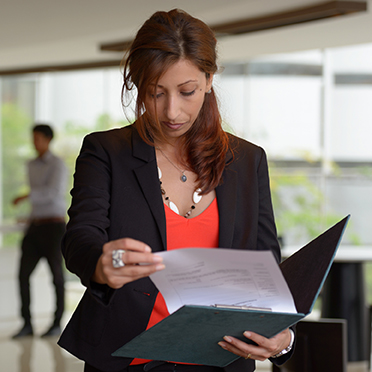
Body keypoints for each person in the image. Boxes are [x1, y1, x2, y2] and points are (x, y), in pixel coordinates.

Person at [58, 9, 295, 372]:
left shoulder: (247, 160)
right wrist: (103, 264)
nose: (172, 111)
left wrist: (282, 338)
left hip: (222, 359)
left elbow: (264, 268)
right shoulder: (106, 151)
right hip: (128, 358)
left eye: (188, 92)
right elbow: (80, 239)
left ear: (209, 79)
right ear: (138, 85)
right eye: (156, 93)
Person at [12, 124, 67, 338]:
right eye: (32, 138)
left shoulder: (57, 164)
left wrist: (26, 196)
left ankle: (56, 324)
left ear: (48, 139)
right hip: (35, 226)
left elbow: (53, 193)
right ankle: (27, 324)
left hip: (54, 227)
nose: (34, 142)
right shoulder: (30, 165)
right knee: (22, 275)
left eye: (37, 138)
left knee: (56, 276)